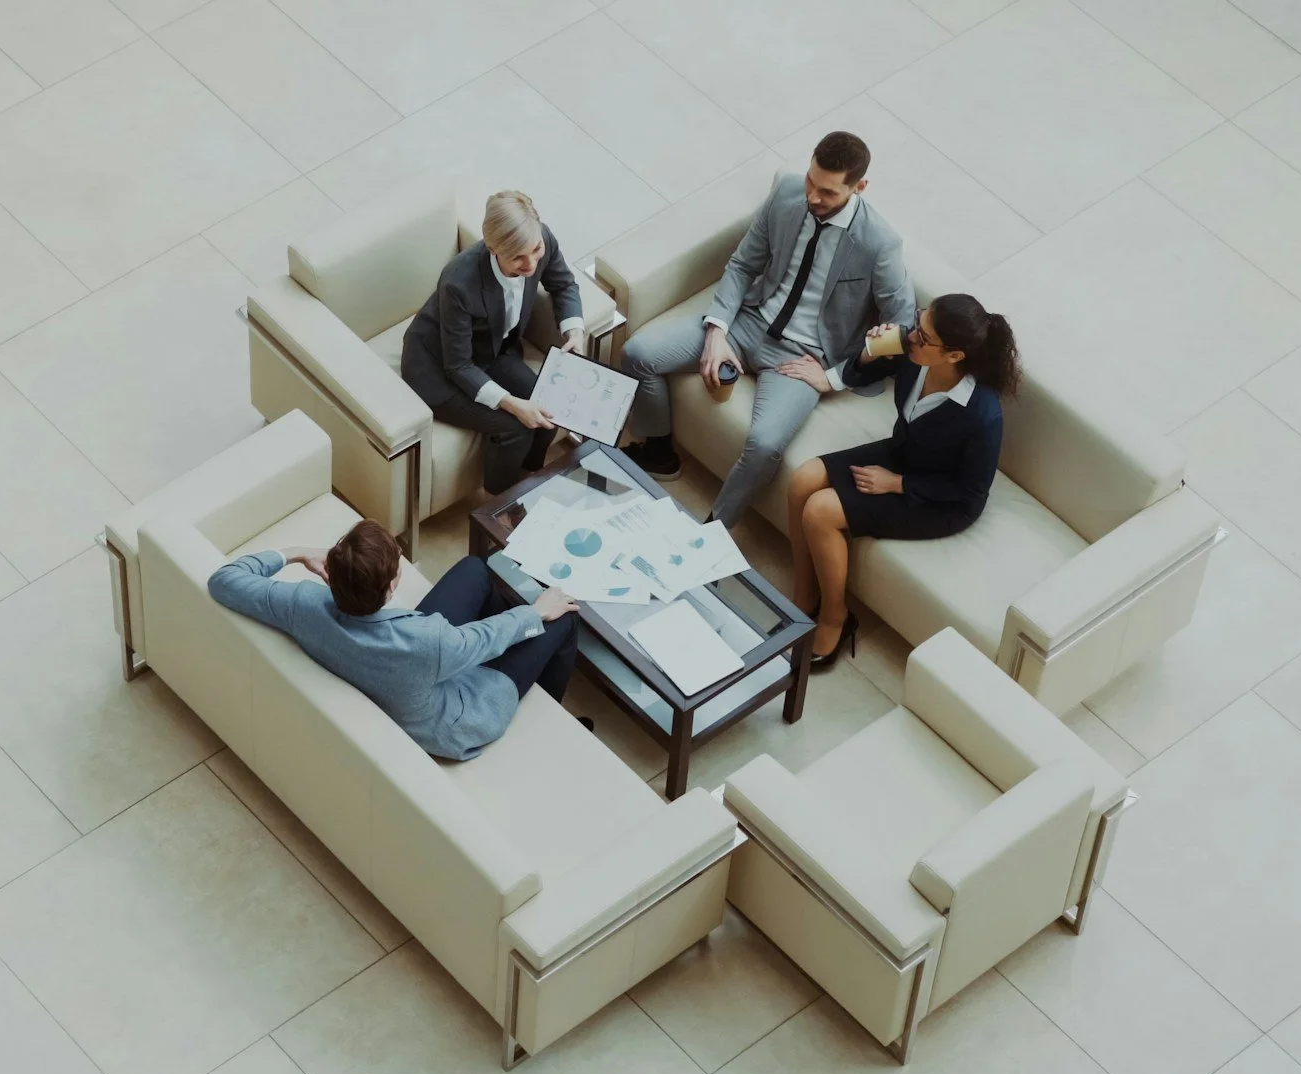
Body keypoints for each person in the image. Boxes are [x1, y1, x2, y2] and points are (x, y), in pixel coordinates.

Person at [620, 132, 916, 527]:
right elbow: (743, 264)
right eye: (811, 181)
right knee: (638, 353)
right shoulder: (788, 193)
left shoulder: (880, 244)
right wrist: (717, 331)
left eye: (827, 192)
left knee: (764, 444)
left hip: (803, 359)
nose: (813, 196)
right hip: (748, 321)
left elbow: (903, 327)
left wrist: (834, 377)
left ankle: (712, 534)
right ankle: (658, 452)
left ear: (859, 187)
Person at [207, 520, 584, 760]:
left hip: (402, 668)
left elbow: (224, 580)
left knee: (474, 569)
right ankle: (541, 702)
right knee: (561, 621)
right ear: (391, 586)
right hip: (451, 717)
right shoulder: (428, 641)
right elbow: (484, 638)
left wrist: (295, 553)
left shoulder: (302, 604)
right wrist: (537, 612)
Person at [782, 293, 1020, 669]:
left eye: (924, 337)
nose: (912, 335)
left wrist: (899, 484)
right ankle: (802, 597)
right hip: (904, 452)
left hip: (940, 500)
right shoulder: (913, 354)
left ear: (954, 356)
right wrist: (868, 354)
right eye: (918, 320)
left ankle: (836, 618)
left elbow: (971, 490)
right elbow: (862, 374)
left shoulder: (981, 415)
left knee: (820, 512)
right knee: (803, 480)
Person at [400, 190, 586, 493]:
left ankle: (529, 477)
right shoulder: (458, 282)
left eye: (535, 250)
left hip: (494, 352)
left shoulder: (542, 240)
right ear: (492, 248)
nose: (530, 265)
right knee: (517, 427)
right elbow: (458, 365)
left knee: (547, 407)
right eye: (517, 258)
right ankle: (501, 502)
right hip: (438, 369)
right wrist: (513, 405)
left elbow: (564, 283)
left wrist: (574, 332)